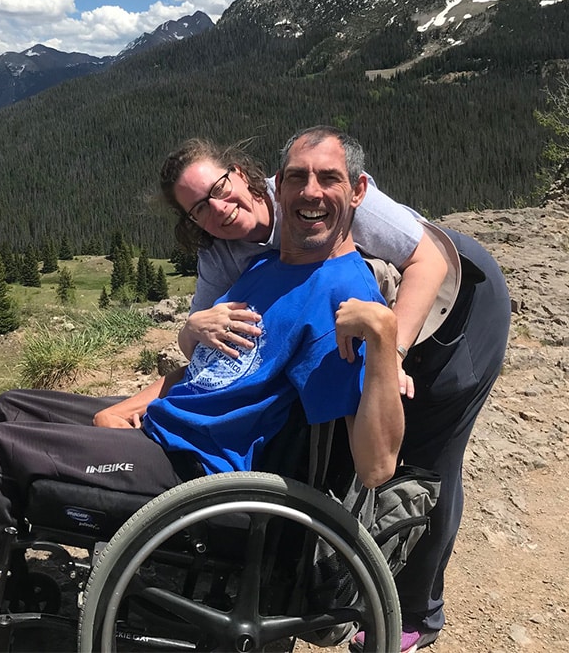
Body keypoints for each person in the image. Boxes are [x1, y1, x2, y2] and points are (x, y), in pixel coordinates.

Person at [0, 128, 403, 653]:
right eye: (297, 178)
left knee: (7, 450)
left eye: (328, 178)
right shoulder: (269, 265)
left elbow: (376, 467)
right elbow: (209, 372)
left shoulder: (342, 298)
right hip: (168, 429)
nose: (310, 192)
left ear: (356, 190)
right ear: (276, 187)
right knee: (12, 407)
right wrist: (132, 405)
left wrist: (384, 343)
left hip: (199, 471)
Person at [158, 129, 511, 653]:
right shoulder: (225, 256)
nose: (218, 208)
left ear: (247, 176)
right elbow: (212, 350)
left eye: (220, 187)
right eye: (197, 209)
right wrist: (191, 330)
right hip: (371, 318)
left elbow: (430, 260)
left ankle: (415, 612)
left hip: (454, 307)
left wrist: (390, 355)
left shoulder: (322, 197)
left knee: (427, 460)